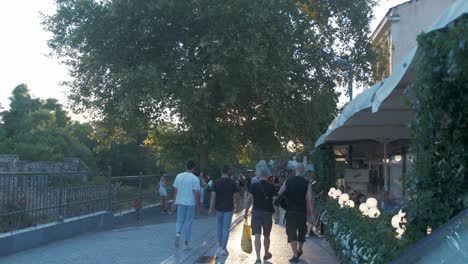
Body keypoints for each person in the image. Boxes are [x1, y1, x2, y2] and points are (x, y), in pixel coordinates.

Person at [278, 163, 313, 263]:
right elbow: (309, 199)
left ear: (295, 170)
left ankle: (295, 255)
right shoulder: (307, 183)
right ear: (304, 170)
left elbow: (280, 192)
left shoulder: (288, 180)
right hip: (302, 211)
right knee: (302, 231)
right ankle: (299, 249)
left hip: (291, 211)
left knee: (291, 231)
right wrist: (311, 215)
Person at [244, 164, 279, 264]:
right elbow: (276, 202)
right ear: (268, 176)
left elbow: (249, 200)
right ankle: (266, 253)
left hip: (256, 213)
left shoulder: (254, 186)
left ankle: (258, 258)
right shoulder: (272, 187)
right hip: (268, 213)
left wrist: (246, 213)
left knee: (257, 236)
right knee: (267, 235)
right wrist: (277, 215)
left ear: (259, 175)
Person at [209, 165, 241, 256]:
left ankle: (219, 246)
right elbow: (238, 196)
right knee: (226, 227)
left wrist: (211, 208)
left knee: (219, 226)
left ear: (221, 171)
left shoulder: (216, 182)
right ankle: (224, 248)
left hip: (218, 207)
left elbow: (213, 196)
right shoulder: (232, 183)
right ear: (228, 171)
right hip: (229, 208)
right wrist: (238, 205)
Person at [171, 160, 201, 249]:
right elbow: (196, 193)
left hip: (180, 202)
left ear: (186, 167)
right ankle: (186, 242)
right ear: (193, 168)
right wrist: (198, 205)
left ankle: (177, 234)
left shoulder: (179, 176)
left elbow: (175, 191)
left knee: (179, 220)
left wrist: (173, 202)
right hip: (191, 203)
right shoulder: (195, 178)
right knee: (189, 222)